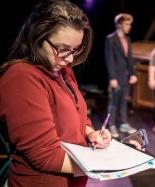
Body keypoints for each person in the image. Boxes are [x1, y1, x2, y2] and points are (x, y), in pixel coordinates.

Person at [0, 0, 111, 186]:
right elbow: (45, 155)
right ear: (37, 37)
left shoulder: (64, 70)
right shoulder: (21, 77)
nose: (69, 58)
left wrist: (91, 134)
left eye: (76, 50)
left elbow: (79, 117)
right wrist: (108, 165)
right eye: (63, 49)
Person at [105, 13, 138, 138]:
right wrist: (112, 78)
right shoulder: (110, 39)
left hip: (125, 76)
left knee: (124, 101)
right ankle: (111, 124)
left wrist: (133, 73)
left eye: (130, 24)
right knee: (113, 102)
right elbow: (109, 59)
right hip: (116, 77)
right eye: (127, 24)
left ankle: (123, 123)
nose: (129, 27)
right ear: (119, 24)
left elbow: (129, 57)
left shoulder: (127, 39)